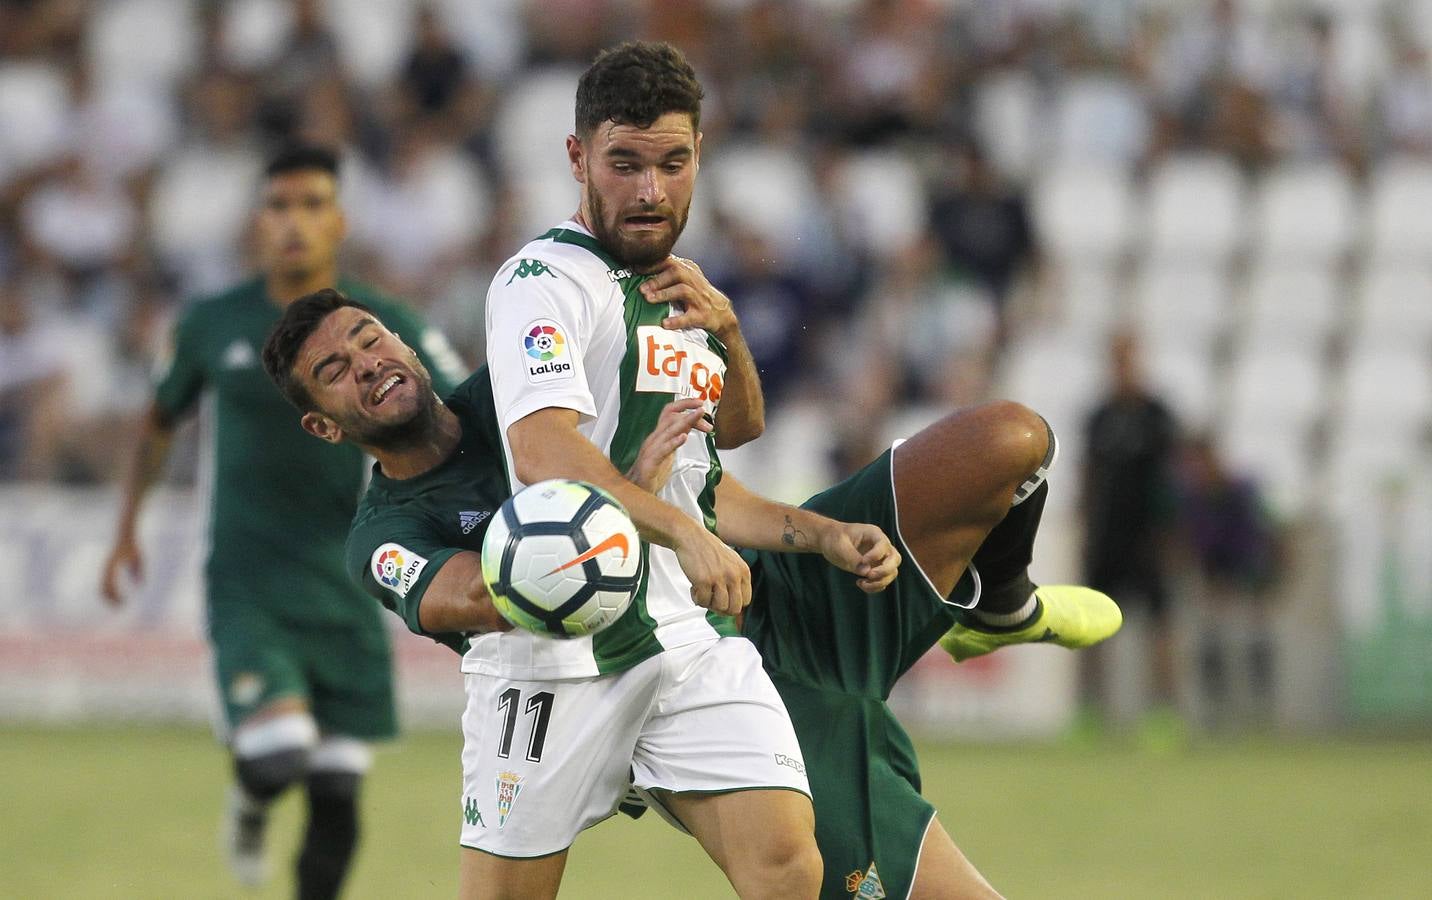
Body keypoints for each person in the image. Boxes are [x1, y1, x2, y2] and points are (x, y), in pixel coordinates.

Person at [262, 289, 1121, 900]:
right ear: (323, 425)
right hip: (671, 681)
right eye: (335, 371)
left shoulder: (520, 397)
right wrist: (626, 500)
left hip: (766, 591)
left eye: (369, 338)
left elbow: (706, 486)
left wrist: (818, 532)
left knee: (1008, 440)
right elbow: (474, 599)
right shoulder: (380, 537)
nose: (367, 365)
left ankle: (996, 606)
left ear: (404, 339)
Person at [476, 41, 838, 898]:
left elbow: (734, 434)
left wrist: (731, 332)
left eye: (672, 164)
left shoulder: (684, 289)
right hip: (558, 634)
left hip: (679, 635)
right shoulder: (544, 280)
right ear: (578, 158)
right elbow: (542, 451)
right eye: (625, 163)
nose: (650, 190)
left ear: (699, 158)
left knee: (789, 867)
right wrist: (686, 534)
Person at [99, 146, 466, 898]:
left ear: (339, 220)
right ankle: (249, 798)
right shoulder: (210, 322)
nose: (293, 222)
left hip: (351, 578)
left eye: (310, 204)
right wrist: (126, 529)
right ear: (256, 222)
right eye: (278, 205)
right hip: (250, 577)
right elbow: (157, 421)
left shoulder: (385, 325)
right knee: (278, 757)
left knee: (337, 791)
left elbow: (464, 404)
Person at [1080, 330, 1180, 724]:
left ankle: (1162, 714)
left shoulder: (1157, 416)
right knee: (1090, 629)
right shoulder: (1098, 417)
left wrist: (1170, 534)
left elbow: (1172, 481)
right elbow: (1088, 476)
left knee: (1159, 626)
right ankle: (1091, 711)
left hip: (1147, 538)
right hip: (1106, 537)